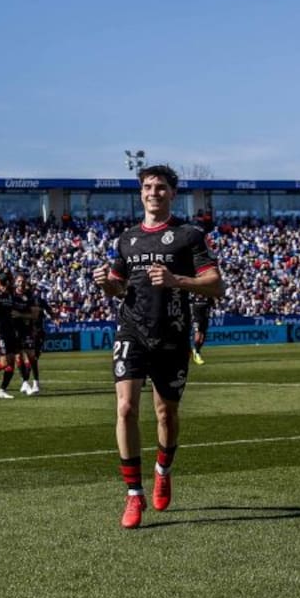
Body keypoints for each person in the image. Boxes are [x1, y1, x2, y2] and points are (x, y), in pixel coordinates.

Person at [92, 165, 224, 529]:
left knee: (166, 414)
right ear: (141, 193)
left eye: (161, 187)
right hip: (131, 330)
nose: (154, 192)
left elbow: (216, 285)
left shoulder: (189, 236)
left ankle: (162, 469)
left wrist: (175, 280)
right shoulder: (127, 239)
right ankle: (134, 495)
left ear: (172, 194)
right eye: (148, 187)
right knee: (125, 408)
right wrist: (106, 282)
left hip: (171, 334)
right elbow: (119, 288)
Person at [11, 273, 41, 396]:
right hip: (13, 330)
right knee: (18, 357)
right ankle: (24, 382)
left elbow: (35, 315)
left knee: (31, 356)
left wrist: (20, 315)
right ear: (15, 282)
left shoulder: (30, 296)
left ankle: (36, 383)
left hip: (27, 329)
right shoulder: (11, 295)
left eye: (23, 281)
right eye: (19, 281)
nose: (21, 283)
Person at [190, 295, 212, 365]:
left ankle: (196, 350)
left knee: (202, 339)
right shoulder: (193, 298)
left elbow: (212, 305)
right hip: (196, 320)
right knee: (198, 336)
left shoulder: (208, 298)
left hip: (205, 320)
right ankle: (197, 354)